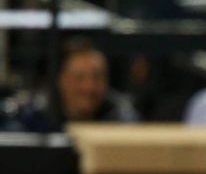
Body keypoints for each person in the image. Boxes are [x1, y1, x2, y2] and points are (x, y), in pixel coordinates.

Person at [10, 38, 138, 132]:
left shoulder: (121, 117)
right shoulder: (34, 118)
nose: (89, 87)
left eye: (97, 77)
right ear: (61, 80)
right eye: (79, 78)